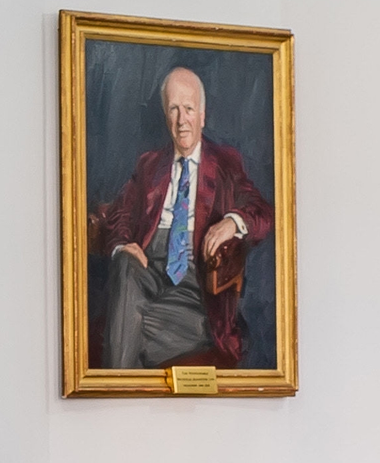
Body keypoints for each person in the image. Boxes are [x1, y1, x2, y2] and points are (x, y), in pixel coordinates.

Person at [88, 66, 269, 370]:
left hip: (195, 292)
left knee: (120, 330)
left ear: (202, 114)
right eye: (173, 109)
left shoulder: (225, 163)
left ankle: (115, 389)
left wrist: (232, 221)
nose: (181, 119)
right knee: (125, 266)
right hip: (145, 277)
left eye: (188, 108)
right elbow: (119, 213)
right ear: (164, 114)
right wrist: (121, 246)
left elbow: (262, 210)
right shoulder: (150, 165)